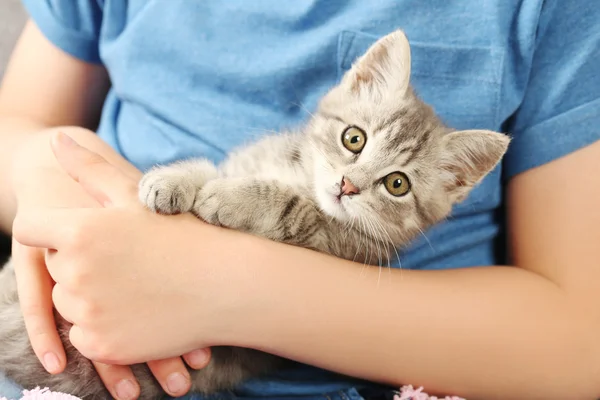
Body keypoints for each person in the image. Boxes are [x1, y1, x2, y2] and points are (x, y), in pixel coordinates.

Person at [0, 1, 599, 399]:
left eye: (396, 184)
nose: (351, 182)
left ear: (454, 186)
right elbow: (16, 123)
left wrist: (223, 284)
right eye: (355, 141)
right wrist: (48, 167)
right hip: (73, 308)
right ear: (358, 85)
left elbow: (583, 340)